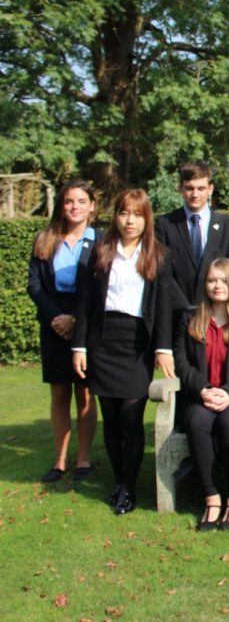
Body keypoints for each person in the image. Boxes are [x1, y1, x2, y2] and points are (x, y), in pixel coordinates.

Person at [71, 189, 176, 515]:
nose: (130, 221)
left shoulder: (159, 255)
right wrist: (79, 345)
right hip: (103, 342)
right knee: (112, 420)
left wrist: (163, 348)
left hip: (136, 344)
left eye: (137, 214)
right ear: (115, 216)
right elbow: (85, 300)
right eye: (124, 213)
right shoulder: (100, 251)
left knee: (131, 419)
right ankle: (119, 481)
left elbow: (163, 306)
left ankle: (130, 487)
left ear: (147, 219)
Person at [174, 258, 229, 531]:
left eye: (223, 280)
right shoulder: (189, 318)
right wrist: (203, 389)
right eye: (211, 280)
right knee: (198, 421)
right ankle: (211, 498)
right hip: (201, 395)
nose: (217, 286)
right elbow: (182, 363)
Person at [28, 179, 100, 484]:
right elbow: (34, 284)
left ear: (92, 206)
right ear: (61, 205)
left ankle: (84, 458)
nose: (75, 207)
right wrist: (56, 317)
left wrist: (75, 319)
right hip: (53, 323)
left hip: (85, 321)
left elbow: (101, 287)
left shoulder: (101, 240)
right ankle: (60, 460)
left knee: (85, 393)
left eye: (81, 201)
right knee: (59, 393)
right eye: (69, 201)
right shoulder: (45, 239)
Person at [155, 160, 229, 312]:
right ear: (181, 189)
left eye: (201, 188)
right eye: (189, 188)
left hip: (217, 313)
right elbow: (162, 272)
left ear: (210, 189)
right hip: (176, 312)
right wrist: (184, 307)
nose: (195, 194)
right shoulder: (165, 225)